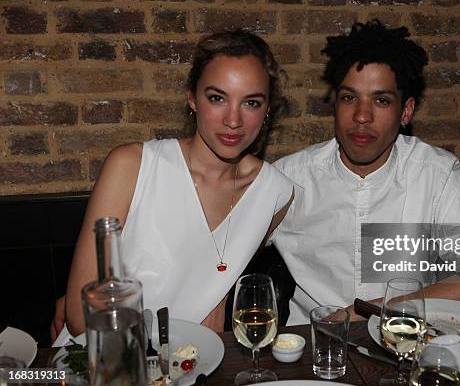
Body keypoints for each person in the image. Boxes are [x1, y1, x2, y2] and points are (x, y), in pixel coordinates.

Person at [51, 30, 294, 340]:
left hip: (192, 363)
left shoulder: (275, 192)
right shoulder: (131, 166)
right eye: (217, 98)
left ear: (268, 109)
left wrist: (220, 298)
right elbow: (79, 316)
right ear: (192, 98)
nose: (233, 120)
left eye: (251, 102)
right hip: (103, 359)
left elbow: (221, 265)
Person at [270, 20, 460, 325]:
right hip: (314, 351)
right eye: (349, 97)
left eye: (381, 100)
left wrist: (370, 309)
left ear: (406, 111)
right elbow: (218, 253)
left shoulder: (434, 174)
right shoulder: (291, 177)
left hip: (404, 347)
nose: (361, 116)